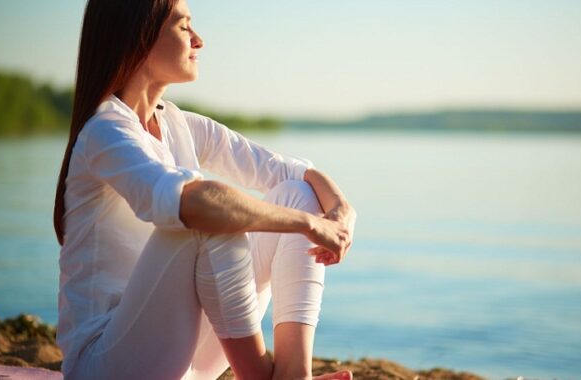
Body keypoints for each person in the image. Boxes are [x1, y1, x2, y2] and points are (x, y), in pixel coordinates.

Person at [52, 0, 356, 379]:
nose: (199, 41)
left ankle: (295, 372)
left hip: (180, 358)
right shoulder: (105, 131)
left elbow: (292, 172)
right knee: (206, 216)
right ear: (138, 38)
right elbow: (193, 203)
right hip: (107, 364)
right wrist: (307, 226)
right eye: (184, 27)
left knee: (296, 194)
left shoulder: (179, 124)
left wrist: (341, 212)